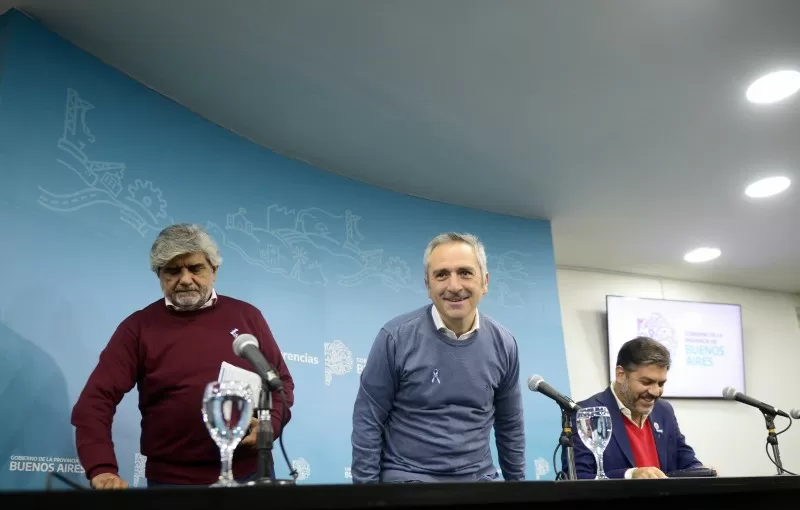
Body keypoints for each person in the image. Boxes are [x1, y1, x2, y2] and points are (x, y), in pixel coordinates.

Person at [71, 223, 295, 489]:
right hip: (171, 485)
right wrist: (101, 468)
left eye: (195, 268)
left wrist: (270, 426)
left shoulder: (248, 317)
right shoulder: (138, 328)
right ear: (159, 275)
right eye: (173, 271)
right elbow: (96, 401)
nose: (185, 279)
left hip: (250, 475)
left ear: (214, 270)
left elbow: (280, 383)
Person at [351, 232, 525, 483]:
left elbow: (510, 426)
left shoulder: (504, 344)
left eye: (465, 273)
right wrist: (367, 498)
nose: (454, 286)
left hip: (479, 484)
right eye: (441, 275)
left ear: (485, 282)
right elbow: (367, 420)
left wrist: (519, 493)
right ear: (428, 285)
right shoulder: (395, 338)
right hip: (407, 483)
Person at [564, 337, 710, 479]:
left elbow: (685, 460)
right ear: (621, 375)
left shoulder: (664, 410)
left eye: (661, 384)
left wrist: (703, 472)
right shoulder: (586, 413)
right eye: (646, 382)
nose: (655, 392)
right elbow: (578, 477)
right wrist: (630, 475)